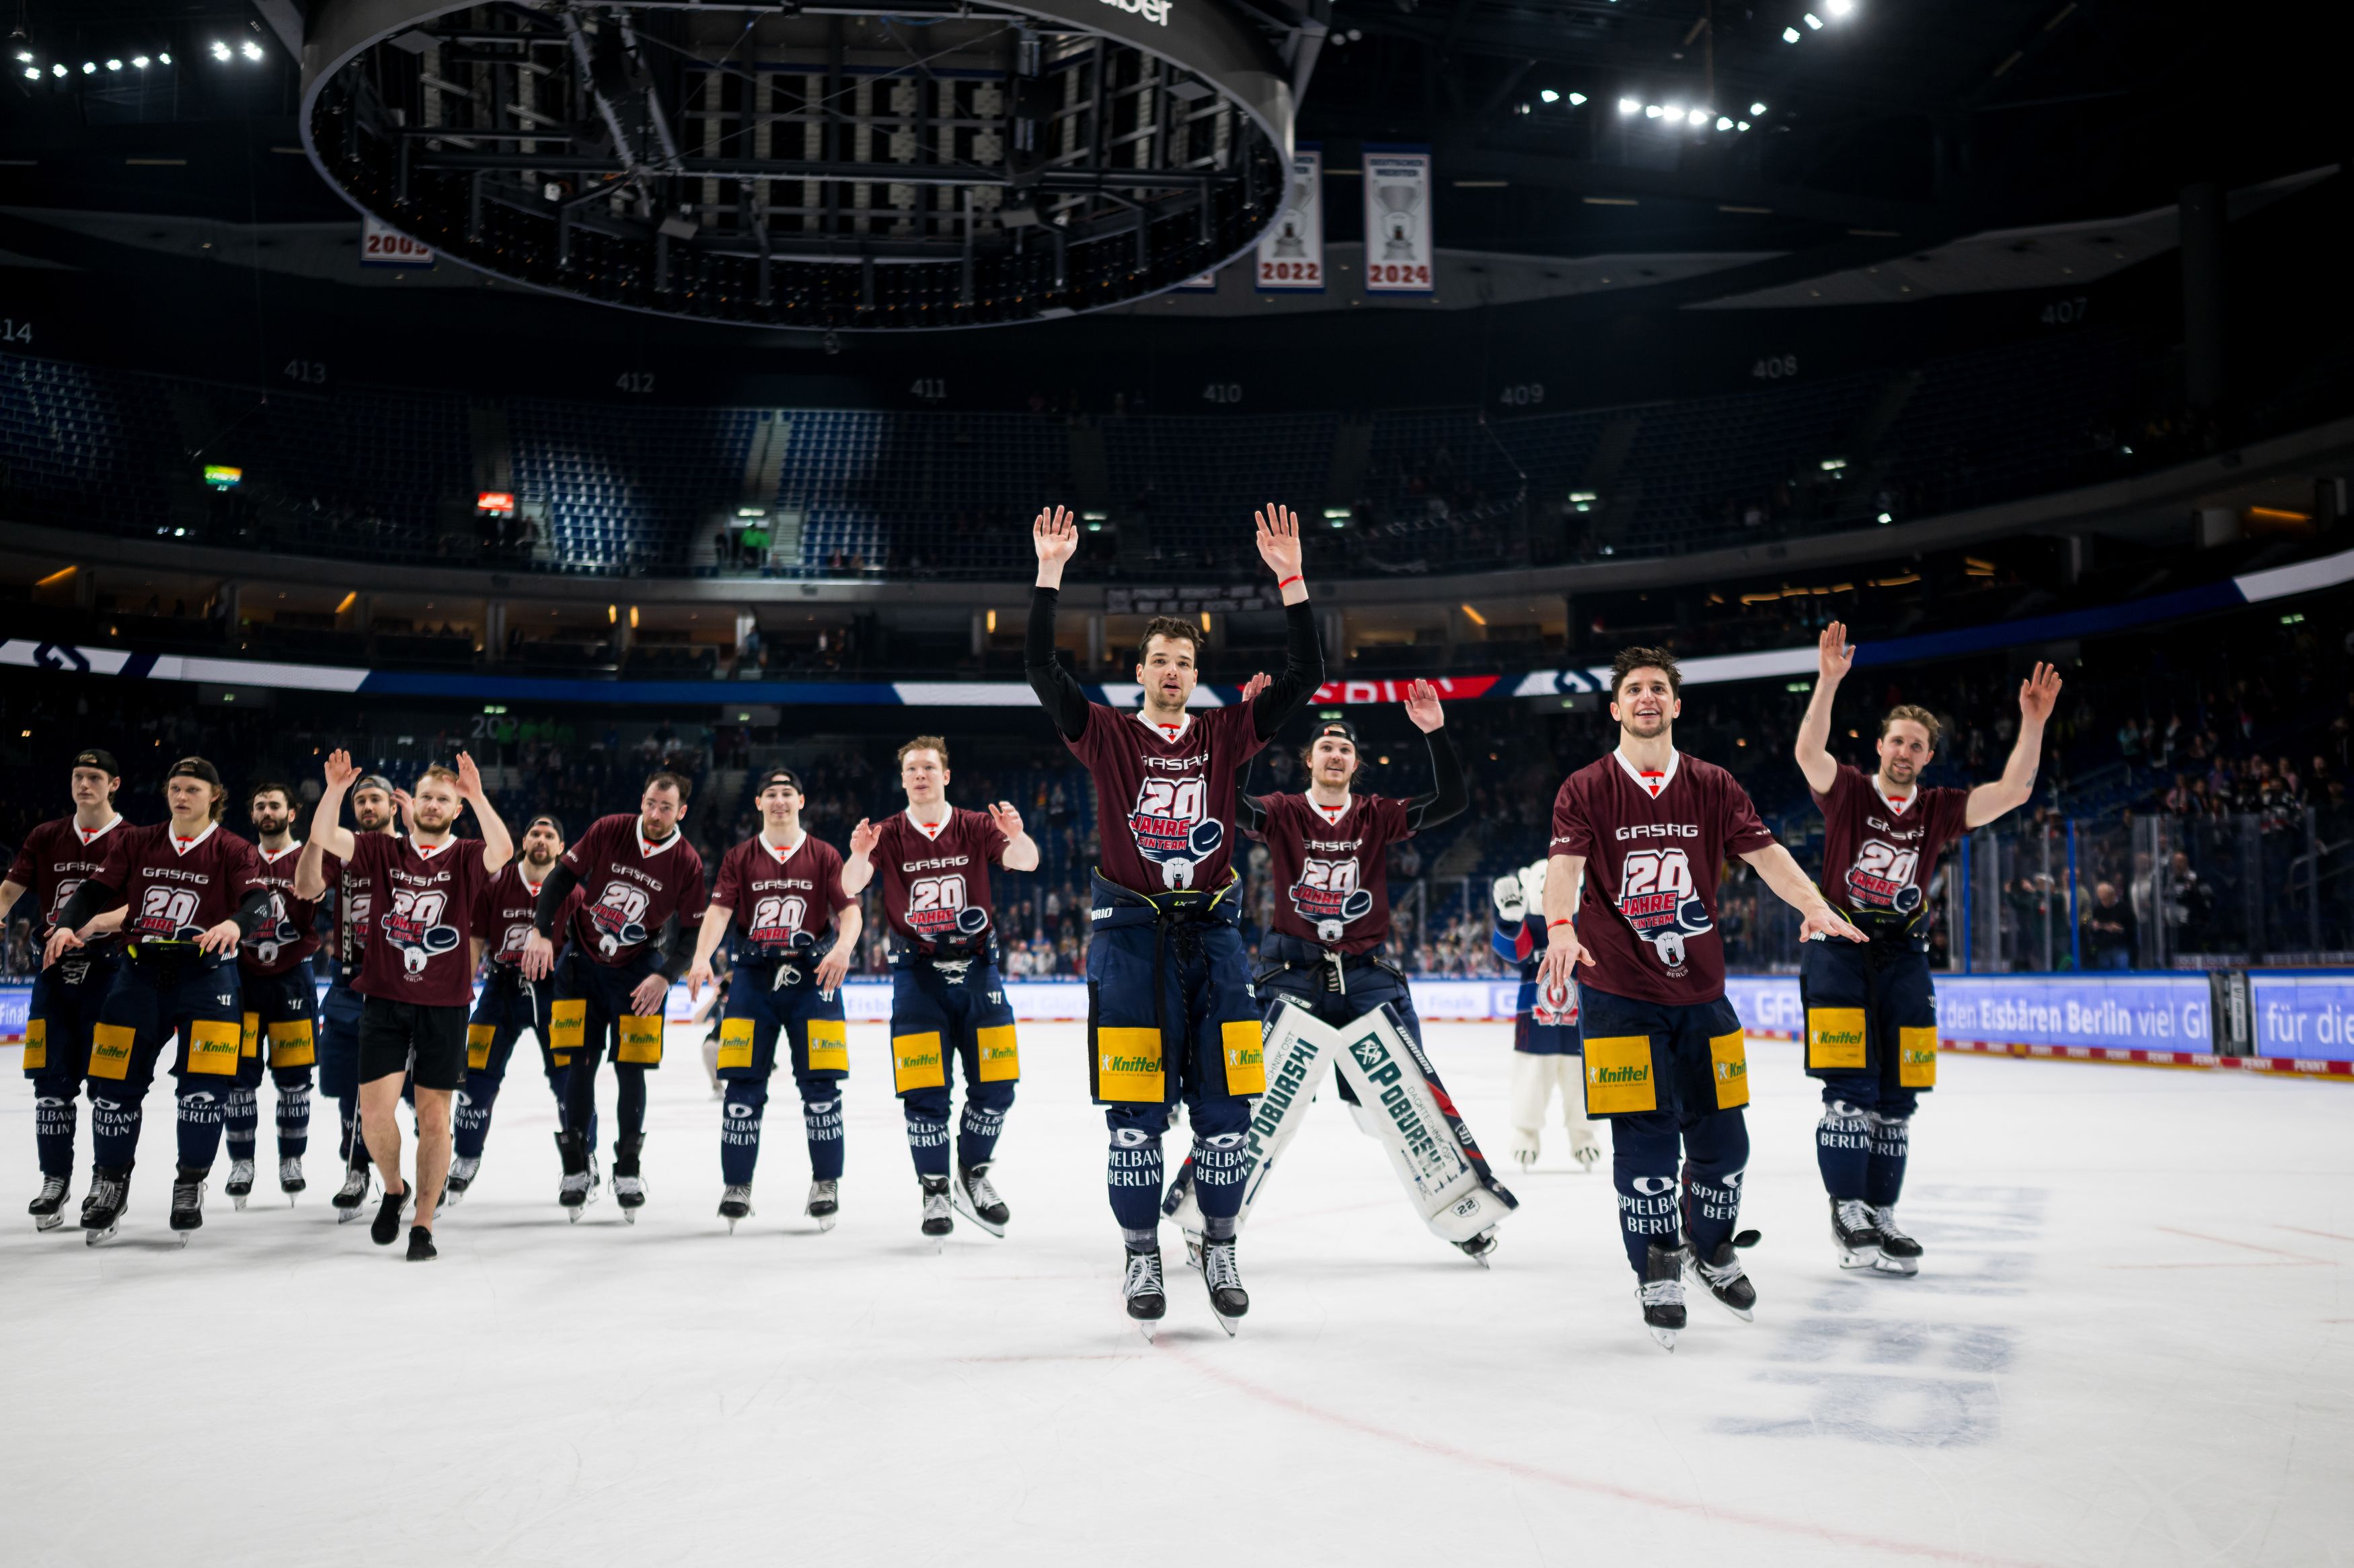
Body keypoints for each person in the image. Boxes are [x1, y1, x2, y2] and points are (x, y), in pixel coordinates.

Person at [1026, 500, 1322, 1334]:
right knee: (1133, 1119)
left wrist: (1290, 580)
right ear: (1141, 670)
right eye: (1157, 660)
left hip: (1217, 941)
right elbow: (1042, 670)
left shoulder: (1228, 733)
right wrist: (1050, 572)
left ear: (1196, 673)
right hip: (1128, 947)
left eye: (1182, 661)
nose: (1169, 671)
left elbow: (1307, 677)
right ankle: (1139, 1250)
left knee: (1229, 1114)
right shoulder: (1107, 736)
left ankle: (1220, 1240)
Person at [1539, 649, 1864, 1349]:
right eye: (1634, 689)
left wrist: (1813, 904)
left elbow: (1768, 855)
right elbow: (1562, 868)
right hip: (1617, 998)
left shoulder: (1713, 784)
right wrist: (1559, 928)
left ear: (1676, 705)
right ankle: (1655, 1266)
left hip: (1702, 995)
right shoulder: (1585, 786)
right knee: (1646, 1145)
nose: (1647, 697)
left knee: (1724, 1142)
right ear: (1615, 709)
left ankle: (1709, 1246)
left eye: (1658, 687)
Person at [1794, 623, 2059, 1276]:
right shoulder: (1850, 791)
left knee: (1899, 1095)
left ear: (1926, 754)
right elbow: (1806, 751)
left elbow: (2014, 791)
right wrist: (1828, 680)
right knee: (1849, 1089)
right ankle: (1847, 1209)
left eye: (1916, 743)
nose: (1904, 749)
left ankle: (1881, 1215)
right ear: (1878, 745)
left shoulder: (1937, 808)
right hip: (1837, 947)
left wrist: (2032, 723)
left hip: (1905, 956)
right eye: (1896, 739)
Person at [1215, 688, 1498, 1261]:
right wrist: (1248, 730)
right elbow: (1226, 802)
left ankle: (1462, 1209)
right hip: (1292, 975)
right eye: (1326, 745)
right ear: (1310, 762)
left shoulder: (1377, 815)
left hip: (1367, 975)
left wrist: (1435, 732)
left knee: (1410, 1100)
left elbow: (1453, 799)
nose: (1336, 752)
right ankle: (1213, 1216)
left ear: (1355, 764)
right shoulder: (1284, 811)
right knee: (1254, 1098)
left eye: (1345, 747)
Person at [46, 758, 274, 1245]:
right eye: (174, 787)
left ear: (215, 794)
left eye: (191, 788)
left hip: (207, 979)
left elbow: (259, 902)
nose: (180, 796)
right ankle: (110, 1183)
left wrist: (236, 924)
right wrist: (68, 922)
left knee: (204, 1093)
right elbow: (94, 890)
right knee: (111, 1088)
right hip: (137, 977)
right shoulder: (136, 841)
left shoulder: (233, 849)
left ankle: (189, 1182)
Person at [297, 751, 512, 1261]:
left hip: (444, 1005)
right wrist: (333, 790)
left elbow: (504, 851)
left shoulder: (465, 855)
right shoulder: (381, 849)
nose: (434, 804)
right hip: (385, 998)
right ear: (410, 804)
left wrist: (478, 795)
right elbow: (327, 837)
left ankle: (424, 1223)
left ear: (455, 808)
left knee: (436, 1119)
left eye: (444, 798)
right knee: (374, 1115)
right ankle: (394, 1189)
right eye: (427, 797)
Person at [841, 736, 1039, 1239]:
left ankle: (972, 1174)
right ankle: (934, 1188)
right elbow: (850, 885)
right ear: (903, 779)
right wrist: (859, 854)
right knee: (925, 1092)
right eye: (912, 769)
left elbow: (1028, 861)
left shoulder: (974, 824)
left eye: (929, 767)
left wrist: (1016, 835)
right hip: (917, 976)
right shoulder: (886, 832)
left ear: (946, 776)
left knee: (997, 1088)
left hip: (977, 968)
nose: (921, 775)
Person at [522, 772, 707, 1220]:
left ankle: (627, 1166)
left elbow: (694, 932)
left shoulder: (687, 862)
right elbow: (561, 880)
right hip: (579, 968)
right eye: (650, 804)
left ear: (681, 811)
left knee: (631, 1070)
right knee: (578, 1066)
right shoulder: (608, 829)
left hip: (639, 974)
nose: (655, 814)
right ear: (641, 801)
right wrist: (541, 931)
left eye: (666, 807)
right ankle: (577, 1166)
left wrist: (665, 976)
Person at [683, 769, 861, 1232]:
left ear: (801, 800)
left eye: (787, 793)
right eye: (771, 794)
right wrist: (702, 956)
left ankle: (826, 1184)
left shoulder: (824, 854)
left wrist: (843, 948)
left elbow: (851, 911)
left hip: (814, 981)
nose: (779, 800)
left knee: (822, 1091)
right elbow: (720, 910)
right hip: (752, 980)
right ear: (758, 803)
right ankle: (736, 1186)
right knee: (741, 1090)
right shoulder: (740, 857)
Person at [0, 750, 126, 1229]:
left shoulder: (133, 839)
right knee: (50, 1087)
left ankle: (106, 1182)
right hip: (52, 975)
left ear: (114, 784)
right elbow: (10, 891)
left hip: (112, 976)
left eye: (94, 777)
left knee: (110, 1088)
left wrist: (96, 924)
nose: (84, 784)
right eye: (78, 776)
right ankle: (55, 1179)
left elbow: (136, 906)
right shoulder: (45, 835)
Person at [447, 814, 585, 1204]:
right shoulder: (496, 884)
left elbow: (584, 950)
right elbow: (474, 938)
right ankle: (466, 1157)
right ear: (524, 841)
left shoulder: (573, 892)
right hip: (500, 988)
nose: (541, 839)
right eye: (535, 833)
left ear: (562, 847)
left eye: (550, 835)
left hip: (555, 994)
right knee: (475, 1078)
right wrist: (461, 990)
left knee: (569, 1082)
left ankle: (580, 1161)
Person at [228, 781, 321, 1208]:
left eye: (275, 805)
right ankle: (241, 1164)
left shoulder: (308, 858)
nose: (267, 811)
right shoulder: (238, 857)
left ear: (292, 812)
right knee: (239, 1082)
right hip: (242, 982)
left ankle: (292, 1161)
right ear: (252, 815)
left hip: (292, 982)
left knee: (295, 1083)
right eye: (260, 805)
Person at [316, 771, 401, 1222]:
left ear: (393, 805)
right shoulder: (343, 852)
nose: (368, 806)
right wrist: (317, 837)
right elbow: (308, 886)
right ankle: (357, 1170)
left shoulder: (411, 850)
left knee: (419, 1088)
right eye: (361, 800)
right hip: (349, 982)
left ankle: (428, 1171)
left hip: (404, 985)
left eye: (375, 799)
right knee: (350, 1085)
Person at [1490, 857, 1603, 1173]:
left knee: (1580, 1081)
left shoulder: (1586, 924)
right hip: (1535, 1026)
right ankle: (1526, 1133)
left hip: (1579, 1025)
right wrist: (1511, 920)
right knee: (1530, 1080)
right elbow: (1515, 952)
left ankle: (1583, 1135)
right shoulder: (1531, 927)